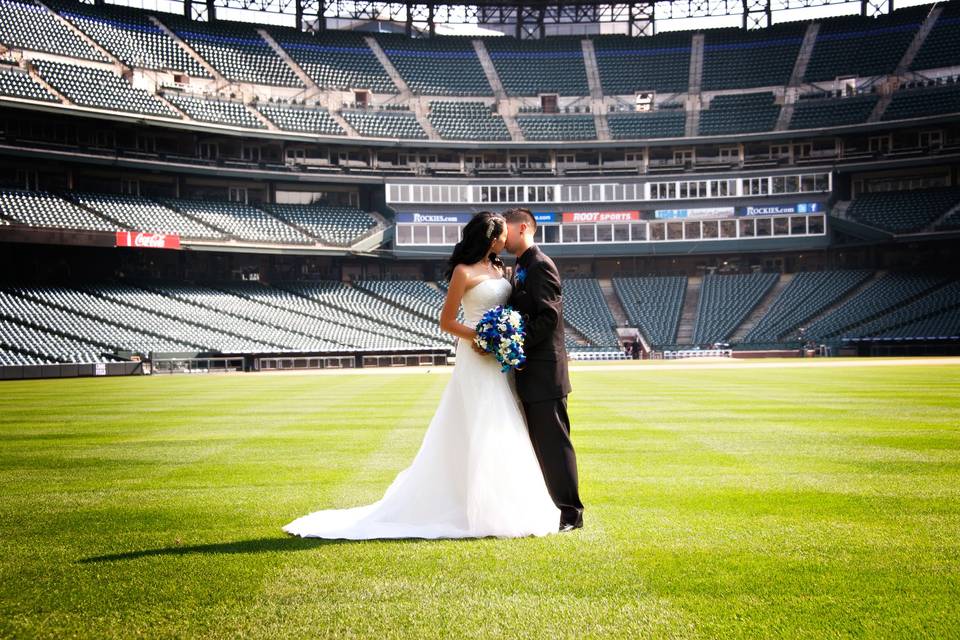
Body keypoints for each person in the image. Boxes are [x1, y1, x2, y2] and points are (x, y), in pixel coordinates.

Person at [282, 211, 560, 540]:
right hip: (475, 356)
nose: (505, 239)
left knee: (503, 422)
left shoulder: (502, 268)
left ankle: (507, 501)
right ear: (489, 238)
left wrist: (503, 337)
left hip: (498, 359)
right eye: (501, 234)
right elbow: (447, 321)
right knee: (480, 422)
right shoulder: (463, 271)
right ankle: (475, 507)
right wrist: (481, 337)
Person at [502, 208, 585, 532]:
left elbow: (549, 318)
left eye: (506, 229)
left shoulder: (540, 265)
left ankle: (571, 514)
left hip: (544, 373)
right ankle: (552, 509)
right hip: (529, 372)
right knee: (539, 446)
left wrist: (515, 343)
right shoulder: (520, 265)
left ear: (522, 228)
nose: (502, 236)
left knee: (554, 445)